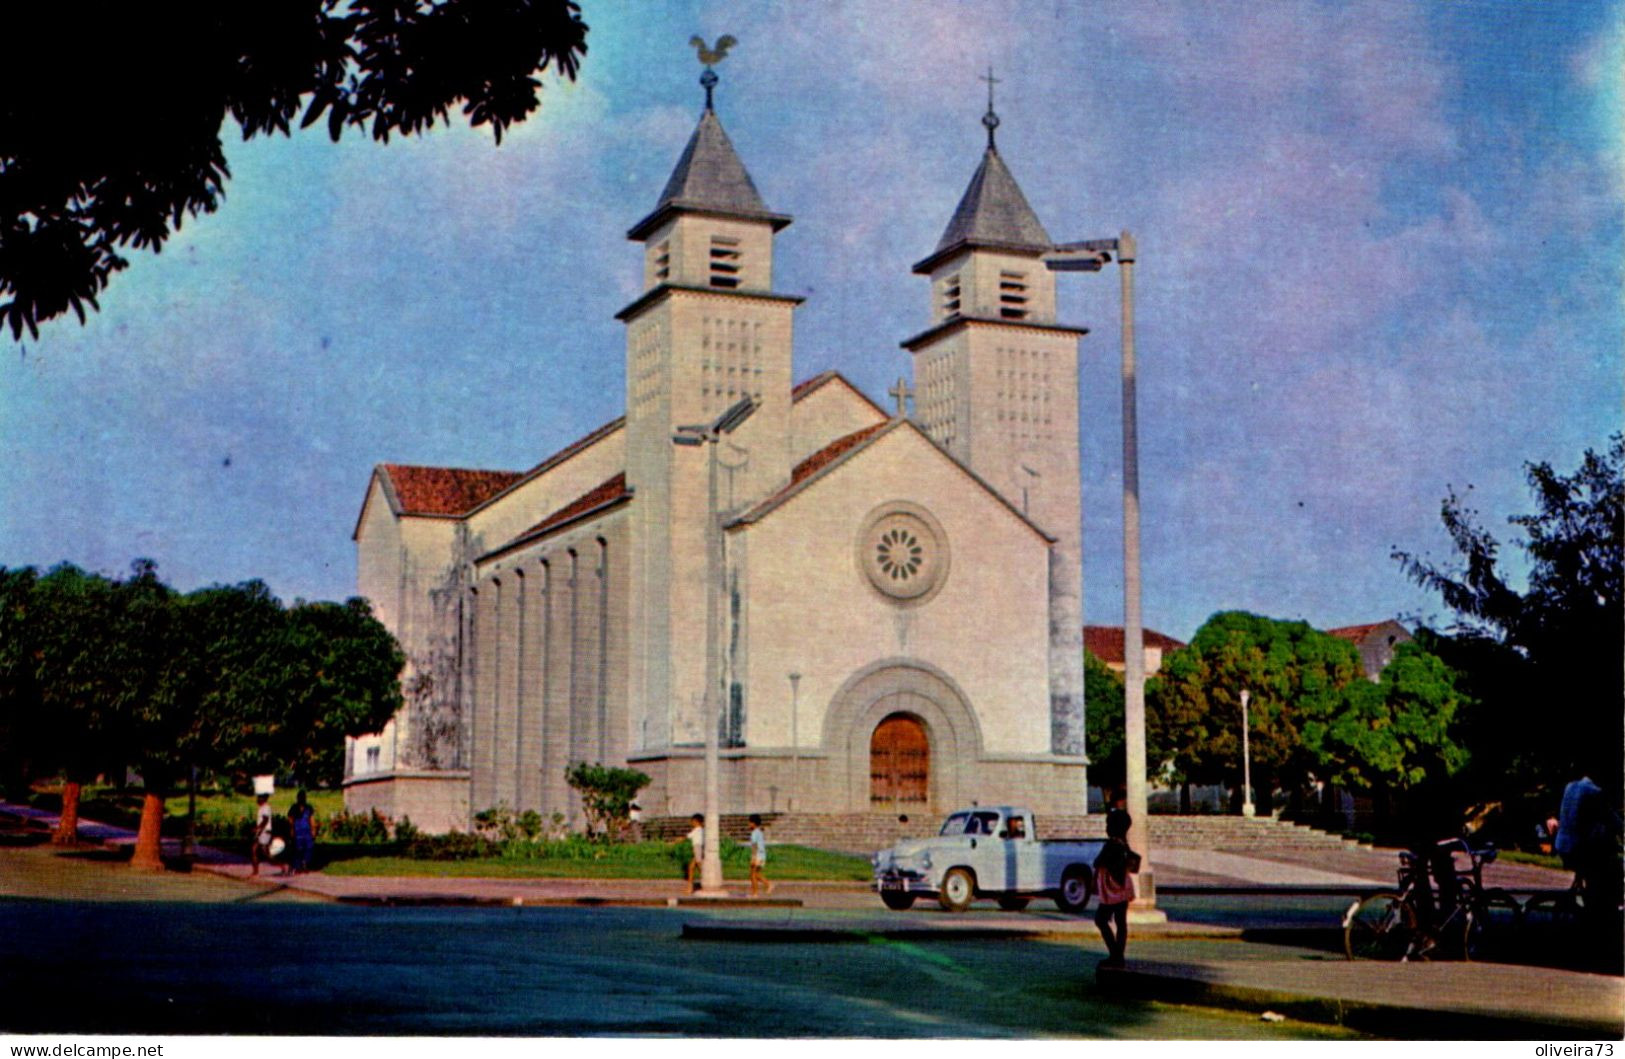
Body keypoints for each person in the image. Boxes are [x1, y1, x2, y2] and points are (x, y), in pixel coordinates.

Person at [1557, 768, 1622, 921]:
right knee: (1611, 871)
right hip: (1579, 849)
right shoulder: (1595, 792)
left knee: (1594, 874)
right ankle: (1597, 913)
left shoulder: (1570, 786)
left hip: (1562, 846)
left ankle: (1591, 905)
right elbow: (1611, 819)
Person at [1093, 808, 1136, 969]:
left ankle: (1115, 954)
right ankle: (1118, 956)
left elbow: (1097, 862)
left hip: (1112, 889)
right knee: (1121, 923)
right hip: (1123, 887)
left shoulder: (1111, 845)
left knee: (1101, 919)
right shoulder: (1124, 844)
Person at [288, 790, 317, 875]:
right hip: (298, 831)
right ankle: (297, 867)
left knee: (309, 848)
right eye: (300, 797)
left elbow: (311, 819)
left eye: (303, 797)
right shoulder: (294, 808)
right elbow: (290, 819)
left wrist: (313, 830)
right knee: (298, 849)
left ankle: (305, 863)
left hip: (307, 831)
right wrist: (292, 830)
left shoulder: (308, 808)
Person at [747, 814, 771, 897]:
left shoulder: (754, 833)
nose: (748, 824)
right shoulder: (759, 832)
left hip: (758, 856)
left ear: (754, 823)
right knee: (755, 874)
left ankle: (755, 893)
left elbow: (754, 846)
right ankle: (767, 885)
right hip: (762, 855)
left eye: (750, 822)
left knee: (753, 875)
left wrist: (753, 857)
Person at [250, 793, 273, 876]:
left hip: (265, 832)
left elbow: (265, 820)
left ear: (264, 799)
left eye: (259, 798)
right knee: (254, 850)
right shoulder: (261, 808)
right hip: (261, 832)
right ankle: (255, 872)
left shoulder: (266, 808)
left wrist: (257, 829)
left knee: (265, 853)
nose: (257, 799)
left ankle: (281, 865)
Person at [684, 813, 705, 893]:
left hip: (697, 849)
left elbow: (687, 837)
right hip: (698, 849)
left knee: (700, 868)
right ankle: (690, 887)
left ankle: (704, 884)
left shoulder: (697, 830)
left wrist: (676, 841)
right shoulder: (702, 830)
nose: (691, 823)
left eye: (692, 821)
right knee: (691, 867)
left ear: (696, 821)